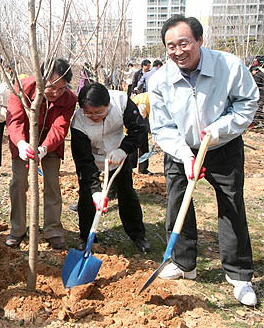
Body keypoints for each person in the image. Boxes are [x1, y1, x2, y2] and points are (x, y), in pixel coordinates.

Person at [149, 15, 259, 306]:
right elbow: (161, 127)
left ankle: (239, 274)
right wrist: (185, 155)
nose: (177, 51)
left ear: (199, 40)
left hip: (222, 146)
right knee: (177, 203)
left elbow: (247, 102)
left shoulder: (228, 66)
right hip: (181, 148)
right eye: (170, 46)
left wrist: (222, 127)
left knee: (231, 205)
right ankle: (184, 263)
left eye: (184, 43)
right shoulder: (160, 79)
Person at [5, 58, 77, 249]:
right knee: (19, 183)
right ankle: (17, 229)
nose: (56, 93)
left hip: (51, 145)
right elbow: (15, 120)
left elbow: (60, 127)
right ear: (41, 78)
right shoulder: (22, 89)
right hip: (23, 141)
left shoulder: (69, 98)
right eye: (52, 87)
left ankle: (53, 229)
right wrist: (21, 144)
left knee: (52, 184)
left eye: (61, 88)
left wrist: (45, 147)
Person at [71, 83, 150, 252]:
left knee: (127, 193)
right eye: (89, 113)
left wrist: (124, 150)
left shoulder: (121, 101)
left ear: (108, 105)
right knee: (86, 197)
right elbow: (83, 159)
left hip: (118, 155)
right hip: (93, 158)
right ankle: (87, 237)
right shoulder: (78, 122)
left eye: (99, 112)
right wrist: (95, 190)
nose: (94, 116)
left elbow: (139, 128)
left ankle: (138, 235)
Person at [127, 92, 154, 175]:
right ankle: (131, 167)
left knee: (143, 141)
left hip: (141, 113)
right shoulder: (145, 100)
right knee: (134, 141)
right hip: (136, 115)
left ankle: (143, 168)